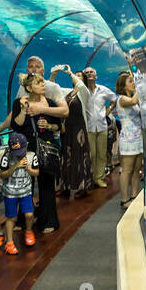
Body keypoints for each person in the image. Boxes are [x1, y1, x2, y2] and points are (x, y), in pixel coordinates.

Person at [16, 72, 68, 233]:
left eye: (42, 83)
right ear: (29, 88)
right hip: (26, 149)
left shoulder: (50, 103)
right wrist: (23, 110)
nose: (43, 85)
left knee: (46, 185)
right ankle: (23, 220)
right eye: (39, 83)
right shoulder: (19, 103)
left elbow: (60, 126)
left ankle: (48, 221)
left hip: (46, 148)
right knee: (25, 185)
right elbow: (16, 125)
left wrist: (50, 126)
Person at [50, 64, 95, 197]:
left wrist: (70, 73)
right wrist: (54, 73)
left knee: (80, 158)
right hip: (67, 129)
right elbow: (51, 88)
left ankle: (82, 186)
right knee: (66, 158)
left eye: (80, 76)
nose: (77, 77)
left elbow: (80, 85)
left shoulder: (84, 92)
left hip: (79, 129)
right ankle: (65, 186)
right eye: (76, 75)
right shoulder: (67, 92)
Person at [0, 132, 38, 251]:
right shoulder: (6, 157)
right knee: (11, 217)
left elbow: (37, 172)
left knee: (29, 214)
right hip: (10, 192)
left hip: (25, 191)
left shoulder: (31, 155)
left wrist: (29, 169)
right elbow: (2, 174)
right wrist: (16, 166)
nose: (19, 156)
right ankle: (9, 242)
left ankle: (29, 231)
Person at [115, 70, 144, 209]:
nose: (134, 83)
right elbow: (133, 101)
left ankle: (134, 195)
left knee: (137, 169)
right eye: (131, 81)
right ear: (123, 85)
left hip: (138, 137)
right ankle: (124, 199)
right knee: (127, 169)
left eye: (134, 81)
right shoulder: (121, 99)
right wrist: (141, 83)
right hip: (128, 139)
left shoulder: (133, 99)